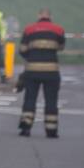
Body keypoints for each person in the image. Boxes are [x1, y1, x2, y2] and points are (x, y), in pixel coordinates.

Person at [18, 8, 66, 138]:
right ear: (50, 16)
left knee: (30, 99)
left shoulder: (29, 29)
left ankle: (26, 128)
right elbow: (61, 47)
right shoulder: (59, 30)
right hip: (51, 71)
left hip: (32, 70)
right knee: (51, 100)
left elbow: (22, 49)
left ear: (39, 15)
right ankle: (51, 130)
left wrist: (31, 57)